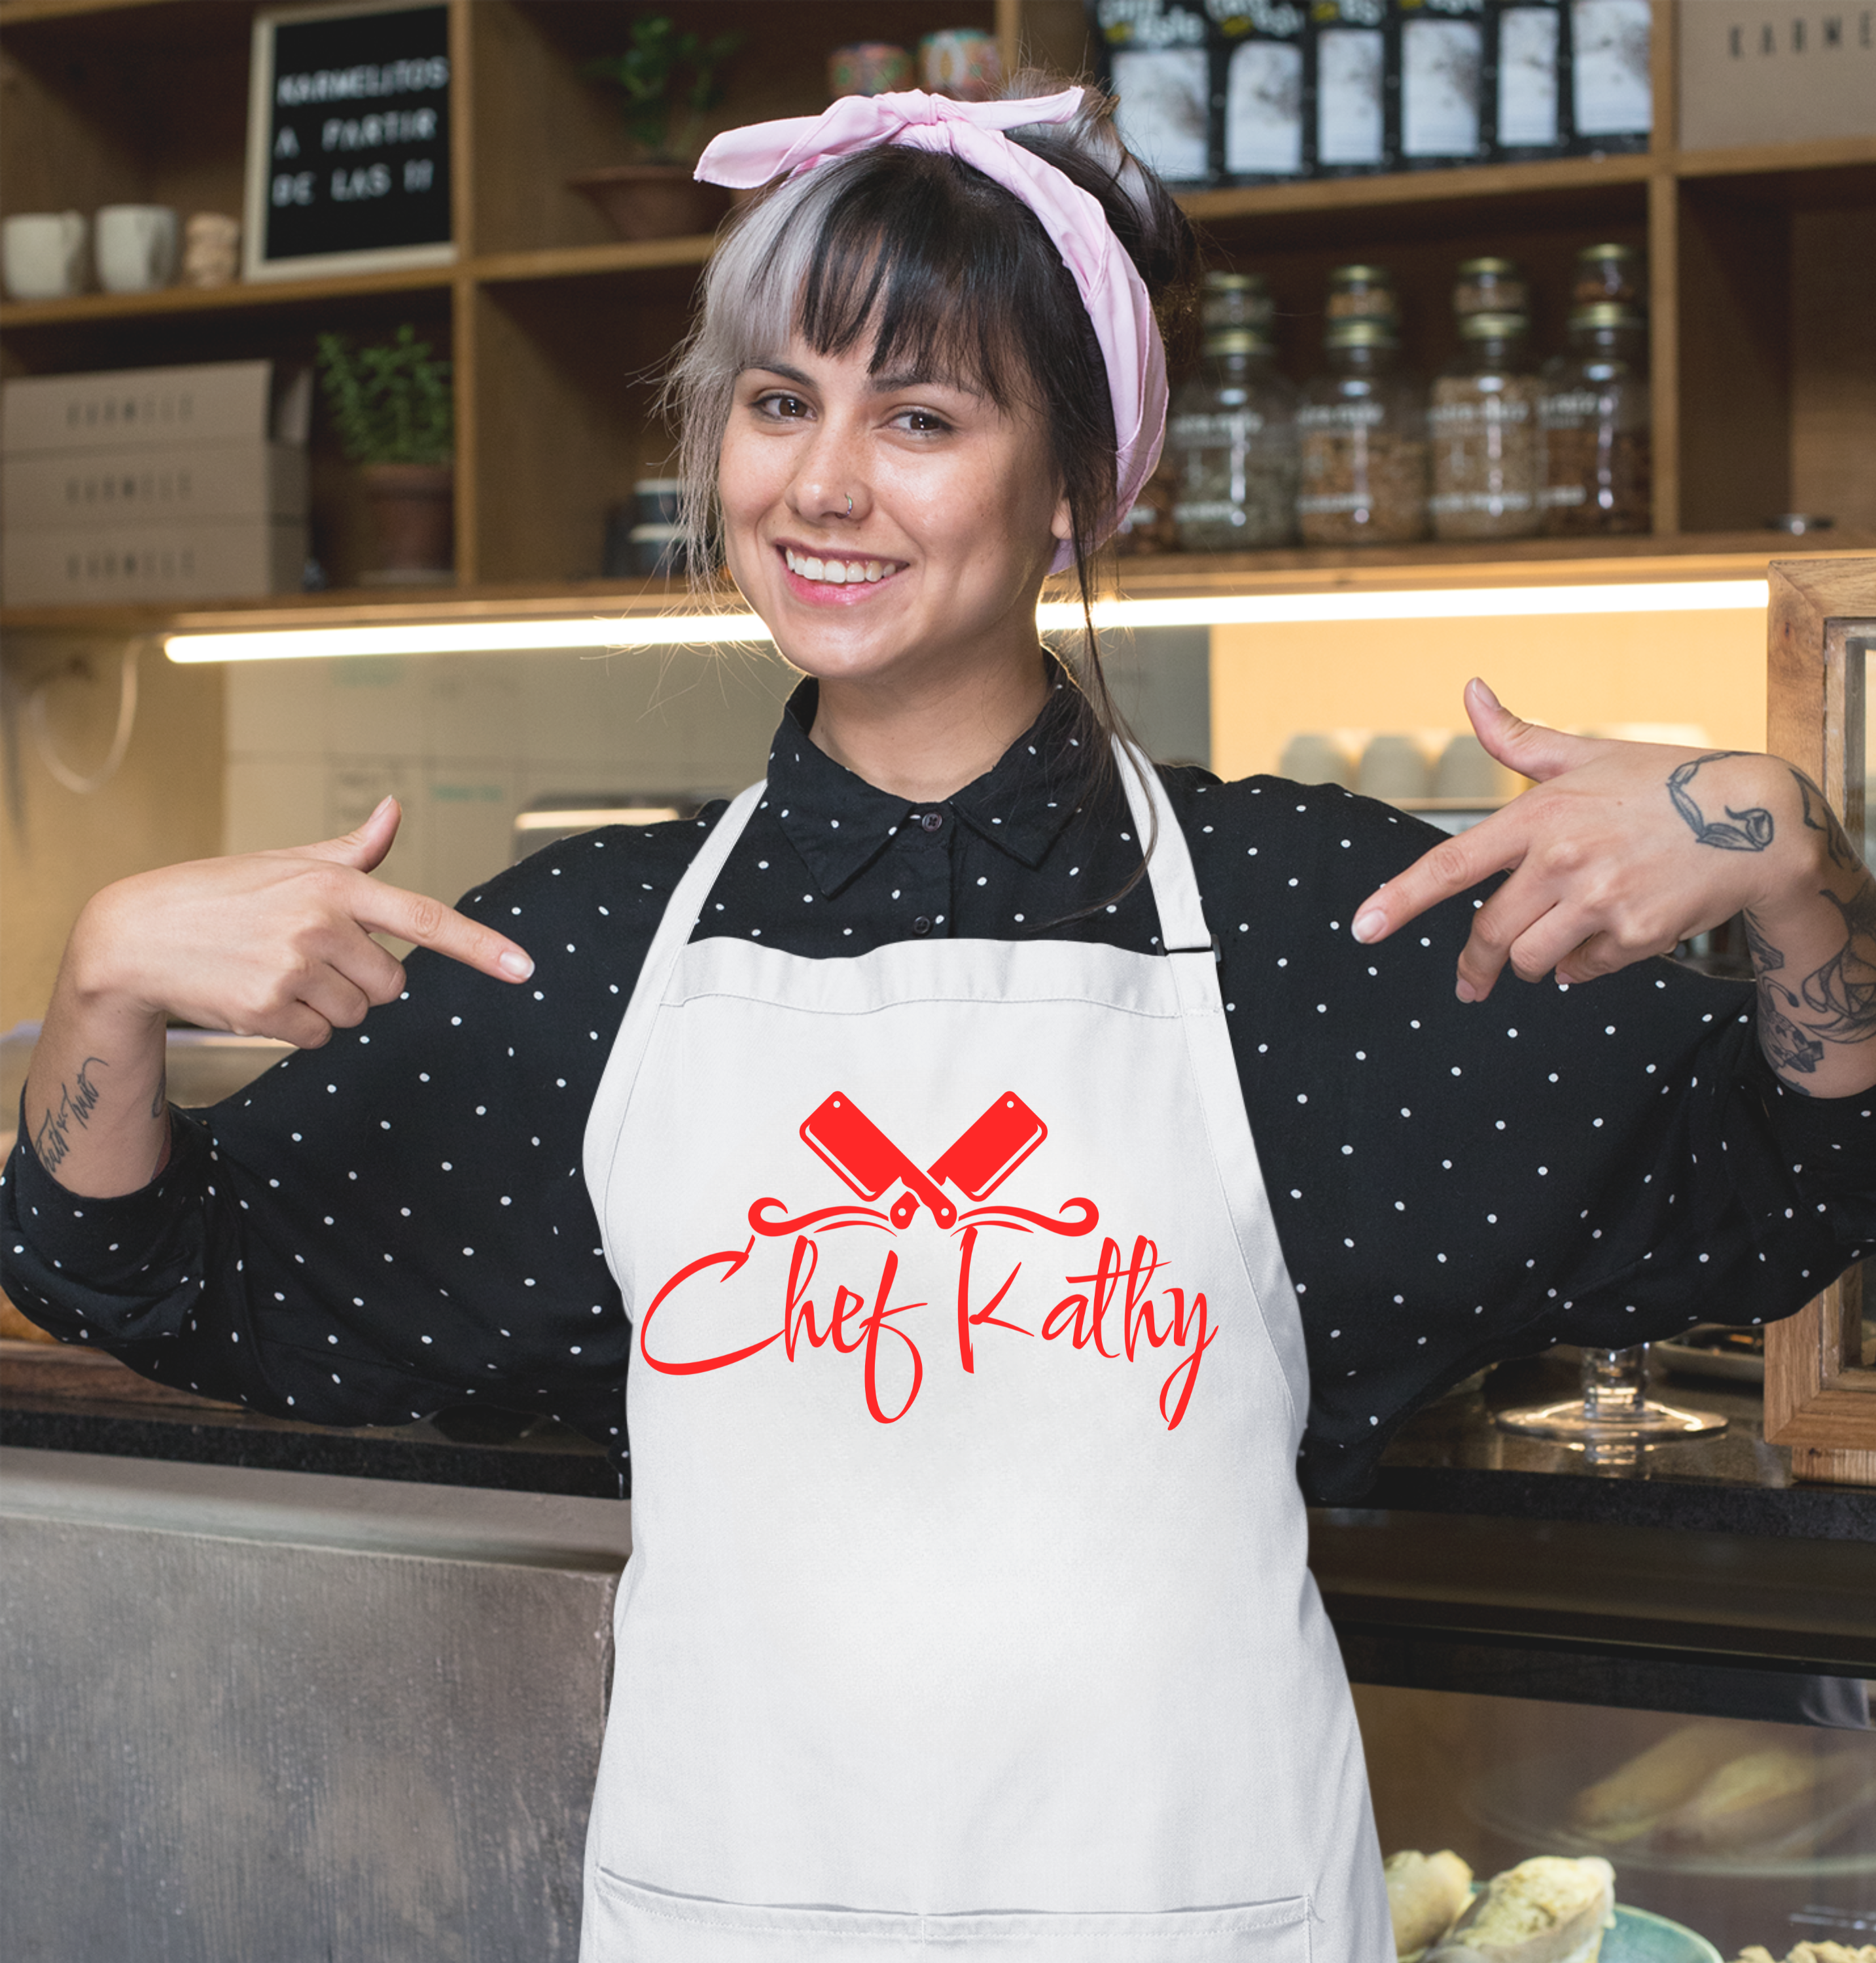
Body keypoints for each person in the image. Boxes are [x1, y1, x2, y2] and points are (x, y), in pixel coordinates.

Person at [7, 79, 1875, 1960]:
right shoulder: (582, 957)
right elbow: (155, 1271)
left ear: (1073, 484)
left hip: (1184, 1916)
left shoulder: (1315, 927)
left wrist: (1795, 856)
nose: (824, 484)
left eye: (919, 417)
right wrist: (105, 986)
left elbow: (1799, 1172)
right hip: (739, 1917)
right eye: (776, 400)